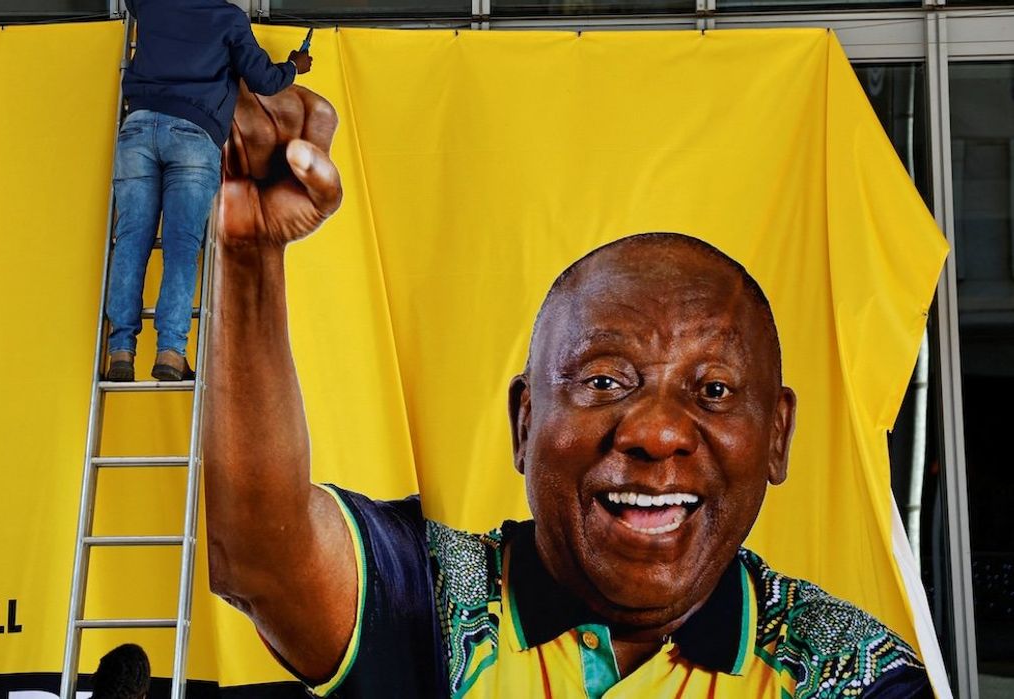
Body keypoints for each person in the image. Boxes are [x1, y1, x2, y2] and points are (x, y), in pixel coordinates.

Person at [203, 86, 932, 697]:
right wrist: (249, 255)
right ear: (524, 420)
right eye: (605, 380)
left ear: (775, 435)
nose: (655, 432)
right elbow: (261, 557)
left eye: (710, 389)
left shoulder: (845, 672)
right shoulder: (437, 598)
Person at [105, 0, 311, 382]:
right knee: (181, 246)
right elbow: (264, 81)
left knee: (131, 242)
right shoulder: (228, 18)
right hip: (192, 135)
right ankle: (170, 352)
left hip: (137, 129)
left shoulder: (150, 6)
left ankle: (120, 351)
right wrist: (293, 67)